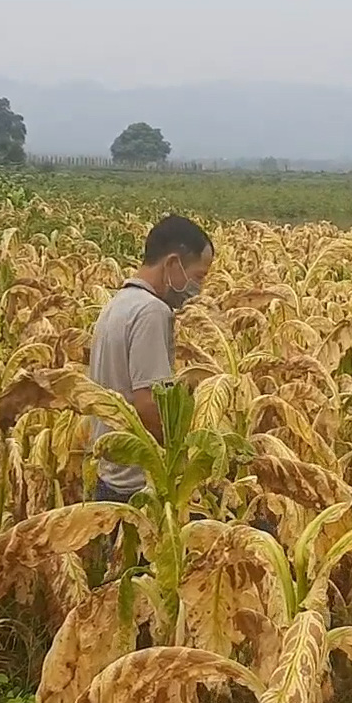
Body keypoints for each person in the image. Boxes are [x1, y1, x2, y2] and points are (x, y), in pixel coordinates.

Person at [87, 214, 213, 502]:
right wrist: (184, 457)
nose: (198, 289)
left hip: (109, 474)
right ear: (172, 264)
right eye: (198, 277)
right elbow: (149, 402)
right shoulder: (151, 312)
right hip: (138, 485)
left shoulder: (117, 305)